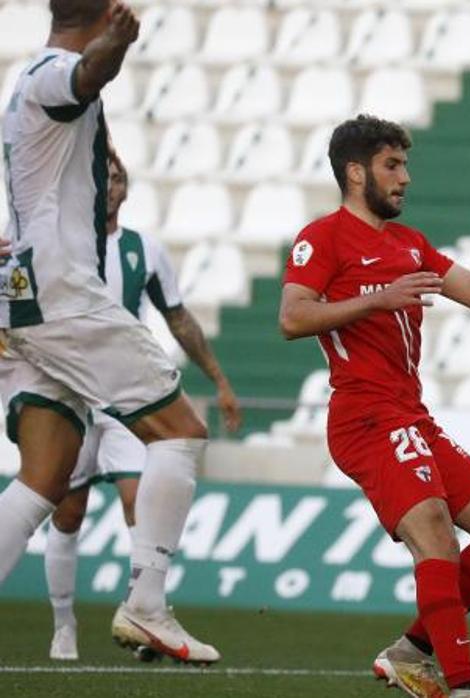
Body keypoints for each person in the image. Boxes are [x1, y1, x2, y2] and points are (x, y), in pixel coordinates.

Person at [279, 114, 470, 698]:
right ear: (355, 172)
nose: (405, 177)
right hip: (363, 417)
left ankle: (409, 652)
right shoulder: (324, 237)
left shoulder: (409, 244)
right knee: (436, 536)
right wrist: (378, 300)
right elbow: (293, 316)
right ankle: (462, 687)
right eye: (393, 165)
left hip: (411, 415)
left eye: (405, 165)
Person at [0, 0, 222, 664]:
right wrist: (115, 47)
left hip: (28, 296)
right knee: (181, 431)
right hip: (66, 293)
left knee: (42, 479)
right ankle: (147, 605)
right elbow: (83, 80)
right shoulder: (53, 72)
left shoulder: (23, 81)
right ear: (101, 11)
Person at [43, 152, 243, 661]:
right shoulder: (63, 244)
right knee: (68, 514)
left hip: (124, 402)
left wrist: (219, 379)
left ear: (126, 190)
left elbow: (178, 319)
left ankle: (144, 609)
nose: (110, 185)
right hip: (69, 396)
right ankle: (64, 625)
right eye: (102, 178)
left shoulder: (143, 250)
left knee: (140, 500)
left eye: (117, 178)